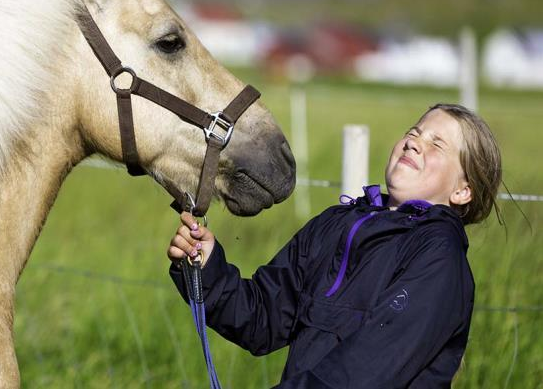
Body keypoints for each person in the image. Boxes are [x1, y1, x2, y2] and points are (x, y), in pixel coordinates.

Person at [167, 103, 502, 388]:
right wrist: (207, 268)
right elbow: (262, 320)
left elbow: (365, 370)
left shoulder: (438, 258)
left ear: (462, 191)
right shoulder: (336, 224)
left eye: (436, 144)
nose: (414, 143)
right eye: (414, 132)